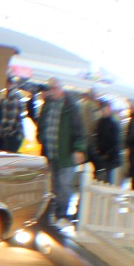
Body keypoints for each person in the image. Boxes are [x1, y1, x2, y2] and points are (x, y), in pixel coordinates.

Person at [36, 77, 86, 222]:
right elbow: (42, 124)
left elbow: (79, 130)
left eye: (55, 88)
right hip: (49, 153)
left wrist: (78, 149)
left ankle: (61, 214)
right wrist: (40, 137)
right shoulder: (47, 105)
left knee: (64, 185)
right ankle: (50, 213)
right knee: (52, 185)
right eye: (51, 88)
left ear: (61, 88)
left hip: (66, 154)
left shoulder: (71, 106)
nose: (52, 91)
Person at [93, 102, 122, 184]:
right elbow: (98, 138)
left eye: (105, 109)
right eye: (103, 110)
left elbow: (116, 142)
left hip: (111, 157)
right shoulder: (100, 122)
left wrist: (108, 154)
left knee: (109, 180)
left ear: (109, 109)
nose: (104, 112)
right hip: (103, 156)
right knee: (103, 179)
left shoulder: (114, 123)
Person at [0, 81, 25, 153]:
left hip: (11, 136)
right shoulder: (9, 94)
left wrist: (3, 134)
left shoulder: (13, 95)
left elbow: (10, 118)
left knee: (3, 156)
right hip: (11, 136)